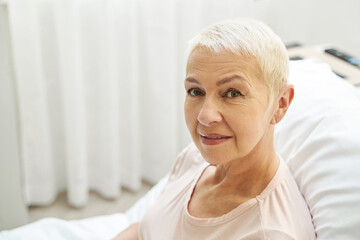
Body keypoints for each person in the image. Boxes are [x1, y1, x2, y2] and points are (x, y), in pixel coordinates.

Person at [113, 18, 316, 240]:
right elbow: (147, 229)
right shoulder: (195, 157)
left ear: (281, 104)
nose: (205, 116)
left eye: (232, 93)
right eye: (195, 91)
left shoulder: (269, 232)